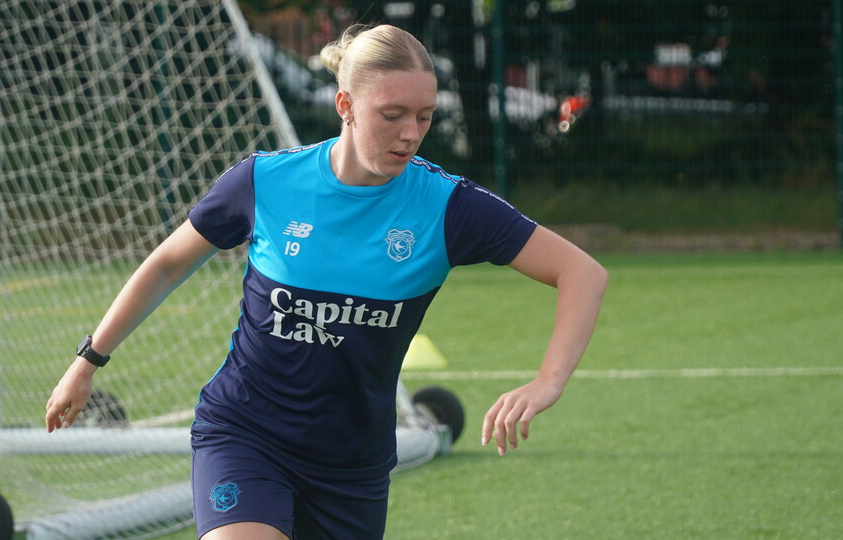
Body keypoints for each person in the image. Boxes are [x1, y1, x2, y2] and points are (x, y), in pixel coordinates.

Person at [45, 23, 607, 540]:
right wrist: (88, 360)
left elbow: (582, 272)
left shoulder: (448, 208)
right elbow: (168, 263)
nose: (410, 134)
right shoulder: (264, 181)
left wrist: (547, 382)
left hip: (352, 464)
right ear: (346, 106)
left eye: (424, 116)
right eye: (392, 115)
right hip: (246, 433)